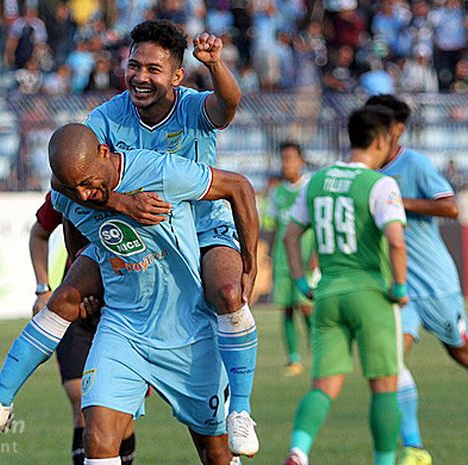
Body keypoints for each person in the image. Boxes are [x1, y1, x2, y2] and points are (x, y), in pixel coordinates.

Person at [0, 124, 259, 465]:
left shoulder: (159, 171)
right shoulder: (67, 192)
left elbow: (237, 186)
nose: (86, 194)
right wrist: (111, 213)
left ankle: (240, 410)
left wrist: (249, 265)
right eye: (75, 188)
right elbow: (72, 219)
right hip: (124, 329)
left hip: (188, 332)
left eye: (90, 183)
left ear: (105, 152)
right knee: (99, 438)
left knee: (216, 454)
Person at [83, 20, 259, 455]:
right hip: (145, 237)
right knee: (71, 293)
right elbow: (74, 178)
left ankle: (240, 409)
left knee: (228, 290)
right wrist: (121, 205)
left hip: (202, 228)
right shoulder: (105, 119)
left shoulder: (193, 107)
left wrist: (216, 65)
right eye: (134, 66)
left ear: (177, 77)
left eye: (153, 70)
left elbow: (229, 105)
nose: (141, 77)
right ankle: (1, 399)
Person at [367, 94, 468, 465]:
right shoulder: (365, 169)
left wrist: (398, 202)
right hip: (399, 286)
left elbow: (450, 206)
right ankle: (414, 448)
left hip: (435, 283)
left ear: (397, 129)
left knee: (462, 351)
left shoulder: (415, 164)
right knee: (392, 358)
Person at [282, 106, 408, 465]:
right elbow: (396, 242)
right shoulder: (380, 184)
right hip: (370, 293)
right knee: (384, 385)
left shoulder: (317, 181)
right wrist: (399, 287)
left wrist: (301, 281)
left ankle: (299, 451)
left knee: (324, 385)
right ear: (381, 140)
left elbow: (291, 237)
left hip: (328, 295)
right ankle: (384, 461)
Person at [30, 192, 137, 465]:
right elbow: (39, 233)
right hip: (75, 313)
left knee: (121, 419)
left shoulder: (135, 186)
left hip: (123, 314)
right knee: (84, 405)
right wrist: (43, 289)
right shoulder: (69, 187)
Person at [268, 142, 315, 377]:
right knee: (286, 309)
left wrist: (316, 257)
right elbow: (276, 227)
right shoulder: (277, 193)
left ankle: (317, 352)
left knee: (307, 308)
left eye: (290, 159)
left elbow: (317, 226)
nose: (286, 164)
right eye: (283, 159)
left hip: (306, 259)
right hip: (283, 259)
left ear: (301, 161)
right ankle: (294, 358)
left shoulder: (310, 189)